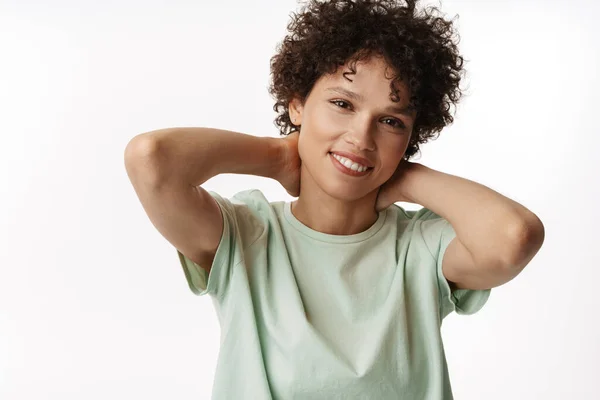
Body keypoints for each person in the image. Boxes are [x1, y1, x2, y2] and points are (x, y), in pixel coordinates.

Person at [124, 0, 545, 398]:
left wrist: (406, 179)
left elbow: (514, 236)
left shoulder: (420, 248)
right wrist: (275, 156)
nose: (361, 137)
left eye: (391, 121)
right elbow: (151, 159)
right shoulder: (244, 235)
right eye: (342, 103)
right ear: (297, 105)